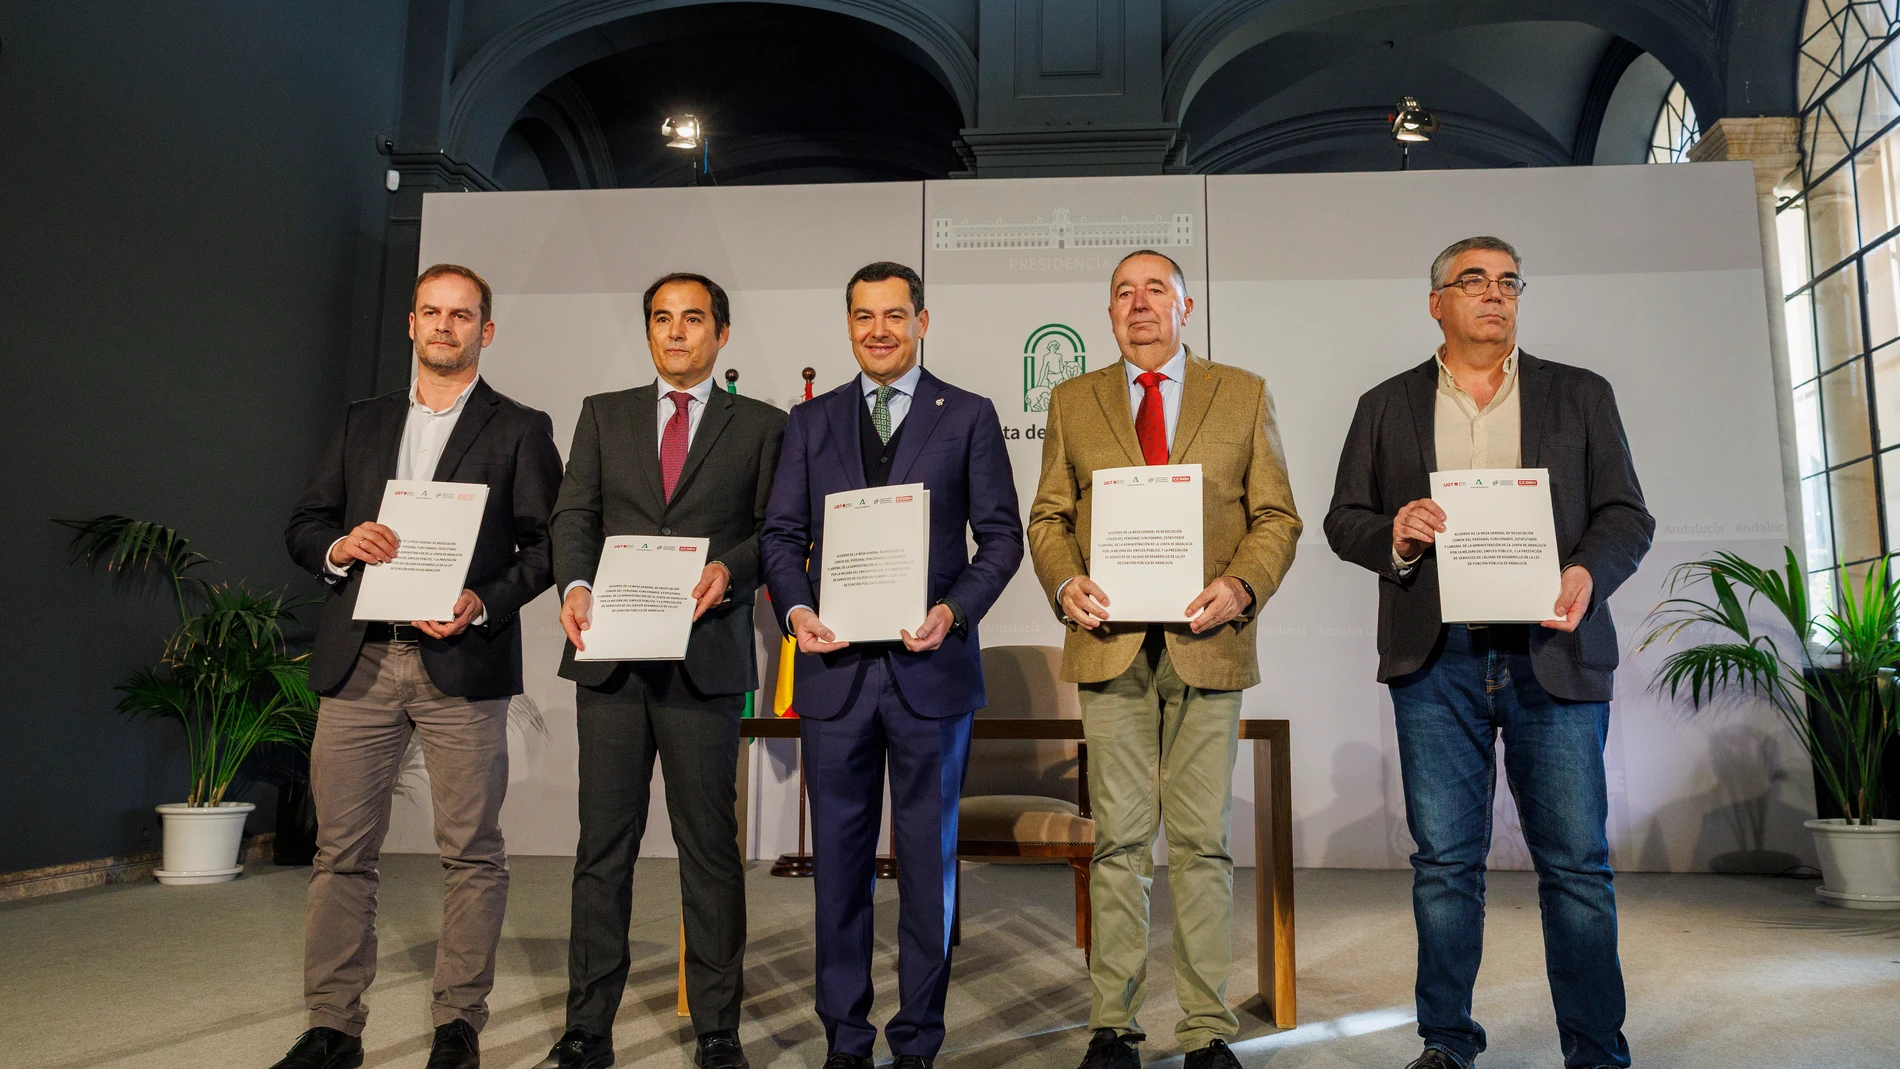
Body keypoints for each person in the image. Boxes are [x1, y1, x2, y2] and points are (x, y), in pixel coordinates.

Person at [1324, 236, 1652, 1069]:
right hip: (1437, 660)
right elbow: (1344, 518)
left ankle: (1594, 1049)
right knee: (1444, 864)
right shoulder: (1386, 404)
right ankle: (1446, 1041)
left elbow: (1626, 515)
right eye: (1473, 281)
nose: (1494, 295)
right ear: (1435, 301)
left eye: (1508, 282)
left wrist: (1585, 569)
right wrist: (1394, 533)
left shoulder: (1579, 394)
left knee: (1576, 866)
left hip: (1554, 653)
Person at [279, 264, 563, 1069]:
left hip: (460, 660)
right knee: (342, 851)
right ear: (411, 324)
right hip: (361, 658)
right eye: (432, 312)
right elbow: (304, 523)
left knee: (472, 850)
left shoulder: (520, 427)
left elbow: (547, 548)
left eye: (462, 314)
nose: (445, 325)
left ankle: (457, 1025)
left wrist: (480, 599)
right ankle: (333, 1027)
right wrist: (339, 547)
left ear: (486, 330)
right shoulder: (360, 421)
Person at [1027, 249, 1302, 1069]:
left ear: (1186, 307)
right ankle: (1113, 1024)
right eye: (1124, 293)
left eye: (1156, 291)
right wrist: (1065, 578)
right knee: (1117, 841)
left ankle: (1204, 1029)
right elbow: (1047, 517)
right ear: (1109, 313)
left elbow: (1277, 517)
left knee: (1200, 842)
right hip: (1108, 645)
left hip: (1207, 644)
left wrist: (1242, 587)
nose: (1139, 304)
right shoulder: (1073, 400)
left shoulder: (1242, 392)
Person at [760, 261, 1023, 1069]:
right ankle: (845, 1039)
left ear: (923, 321)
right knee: (838, 870)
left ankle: (917, 1041)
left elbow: (1002, 539)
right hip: (835, 675)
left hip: (930, 670)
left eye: (895, 315)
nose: (879, 329)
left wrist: (953, 610)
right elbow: (778, 537)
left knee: (927, 865)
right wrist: (799, 613)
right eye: (864, 316)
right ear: (848, 325)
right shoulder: (811, 422)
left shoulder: (969, 414)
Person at [531, 273, 786, 1069]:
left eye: (693, 319)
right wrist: (574, 584)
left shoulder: (763, 426)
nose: (676, 332)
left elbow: (776, 530)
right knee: (602, 847)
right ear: (648, 331)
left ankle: (717, 1029)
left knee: (708, 847)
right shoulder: (603, 415)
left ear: (723, 332)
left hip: (703, 660)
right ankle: (586, 1031)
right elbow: (573, 514)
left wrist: (732, 572)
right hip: (611, 658)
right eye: (662, 319)